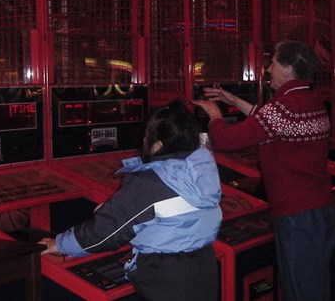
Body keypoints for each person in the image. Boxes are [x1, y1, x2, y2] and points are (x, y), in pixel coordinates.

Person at [193, 40, 335, 301]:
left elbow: (227, 140)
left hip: (297, 216)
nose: (268, 70)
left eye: (272, 64)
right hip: (322, 209)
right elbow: (270, 122)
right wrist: (232, 100)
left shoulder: (282, 108)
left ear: (288, 69)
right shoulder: (311, 99)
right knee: (314, 285)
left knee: (301, 290)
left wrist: (215, 115)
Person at [38, 99, 222, 301]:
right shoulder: (201, 171)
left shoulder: (150, 182)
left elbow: (104, 233)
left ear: (158, 144)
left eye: (146, 136)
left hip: (165, 277)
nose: (143, 141)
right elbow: (174, 220)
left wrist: (60, 244)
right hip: (203, 267)